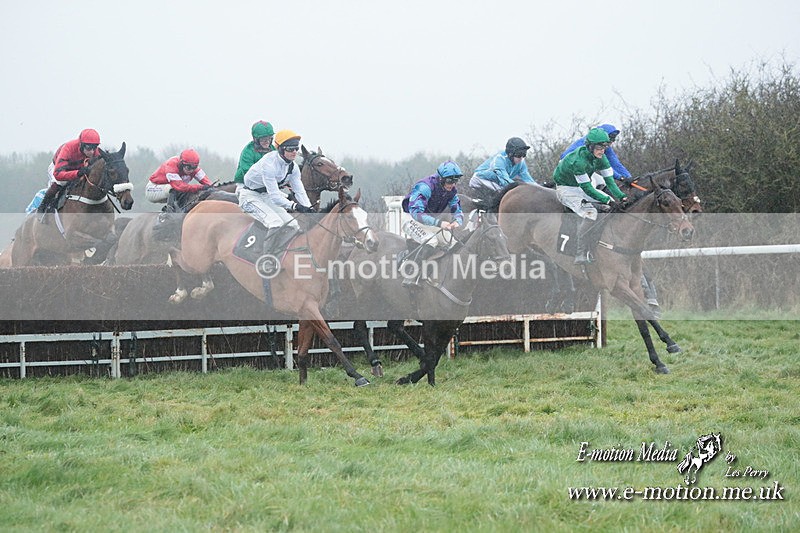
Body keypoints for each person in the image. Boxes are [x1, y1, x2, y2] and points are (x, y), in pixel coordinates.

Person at [553, 127, 628, 264]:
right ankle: (579, 253)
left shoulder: (601, 157)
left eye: (604, 147)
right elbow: (587, 188)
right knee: (590, 212)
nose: (602, 151)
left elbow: (609, 182)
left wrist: (621, 196)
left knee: (611, 202)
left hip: (581, 185)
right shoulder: (578, 161)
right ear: (590, 146)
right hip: (567, 189)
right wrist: (606, 200)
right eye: (599, 147)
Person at [239, 129, 314, 251]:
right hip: (249, 196)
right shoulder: (269, 164)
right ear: (280, 149)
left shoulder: (293, 167)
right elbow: (275, 197)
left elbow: (299, 191)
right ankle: (265, 258)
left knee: (293, 225)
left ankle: (280, 253)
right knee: (275, 223)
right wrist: (295, 206)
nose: (294, 152)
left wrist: (310, 209)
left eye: (296, 148)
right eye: (290, 149)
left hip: (265, 196)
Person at [400, 161, 464, 286]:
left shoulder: (451, 190)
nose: (452, 185)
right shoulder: (425, 187)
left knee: (453, 243)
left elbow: (457, 208)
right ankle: (411, 275)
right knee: (431, 241)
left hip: (429, 221)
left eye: (455, 181)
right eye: (450, 181)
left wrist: (458, 220)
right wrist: (439, 223)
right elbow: (416, 213)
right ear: (441, 178)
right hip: (411, 218)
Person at [34, 128, 101, 214]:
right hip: (58, 169)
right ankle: (43, 207)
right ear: (81, 144)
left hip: (78, 169)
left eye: (94, 147)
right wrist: (77, 173)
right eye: (88, 148)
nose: (92, 152)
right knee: (60, 183)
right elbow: (58, 174)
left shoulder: (95, 152)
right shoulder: (68, 148)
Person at [560, 123, 632, 189]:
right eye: (611, 137)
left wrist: (628, 177)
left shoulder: (605, 146)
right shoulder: (591, 144)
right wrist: (621, 178)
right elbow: (603, 167)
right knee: (591, 185)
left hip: (582, 167)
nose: (612, 141)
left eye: (614, 138)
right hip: (569, 166)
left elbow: (615, 163)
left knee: (602, 183)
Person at [145, 149, 213, 213]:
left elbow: (209, 184)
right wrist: (200, 187)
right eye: (188, 167)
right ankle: (169, 214)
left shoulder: (194, 168)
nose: (191, 170)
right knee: (173, 188)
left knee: (190, 193)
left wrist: (211, 188)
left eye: (194, 167)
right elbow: (179, 186)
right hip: (153, 189)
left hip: (171, 192)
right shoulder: (171, 165)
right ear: (181, 163)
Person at [468, 137, 536, 194]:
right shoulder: (499, 160)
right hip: (480, 179)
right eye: (518, 155)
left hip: (495, 182)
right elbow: (505, 181)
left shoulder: (521, 162)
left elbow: (528, 179)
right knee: (503, 192)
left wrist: (539, 188)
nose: (521, 158)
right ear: (510, 154)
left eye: (524, 155)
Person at [234, 120, 275, 193]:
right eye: (263, 139)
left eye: (269, 138)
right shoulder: (248, 151)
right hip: (245, 183)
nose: (267, 141)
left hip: (266, 183)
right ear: (256, 139)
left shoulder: (273, 150)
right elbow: (249, 173)